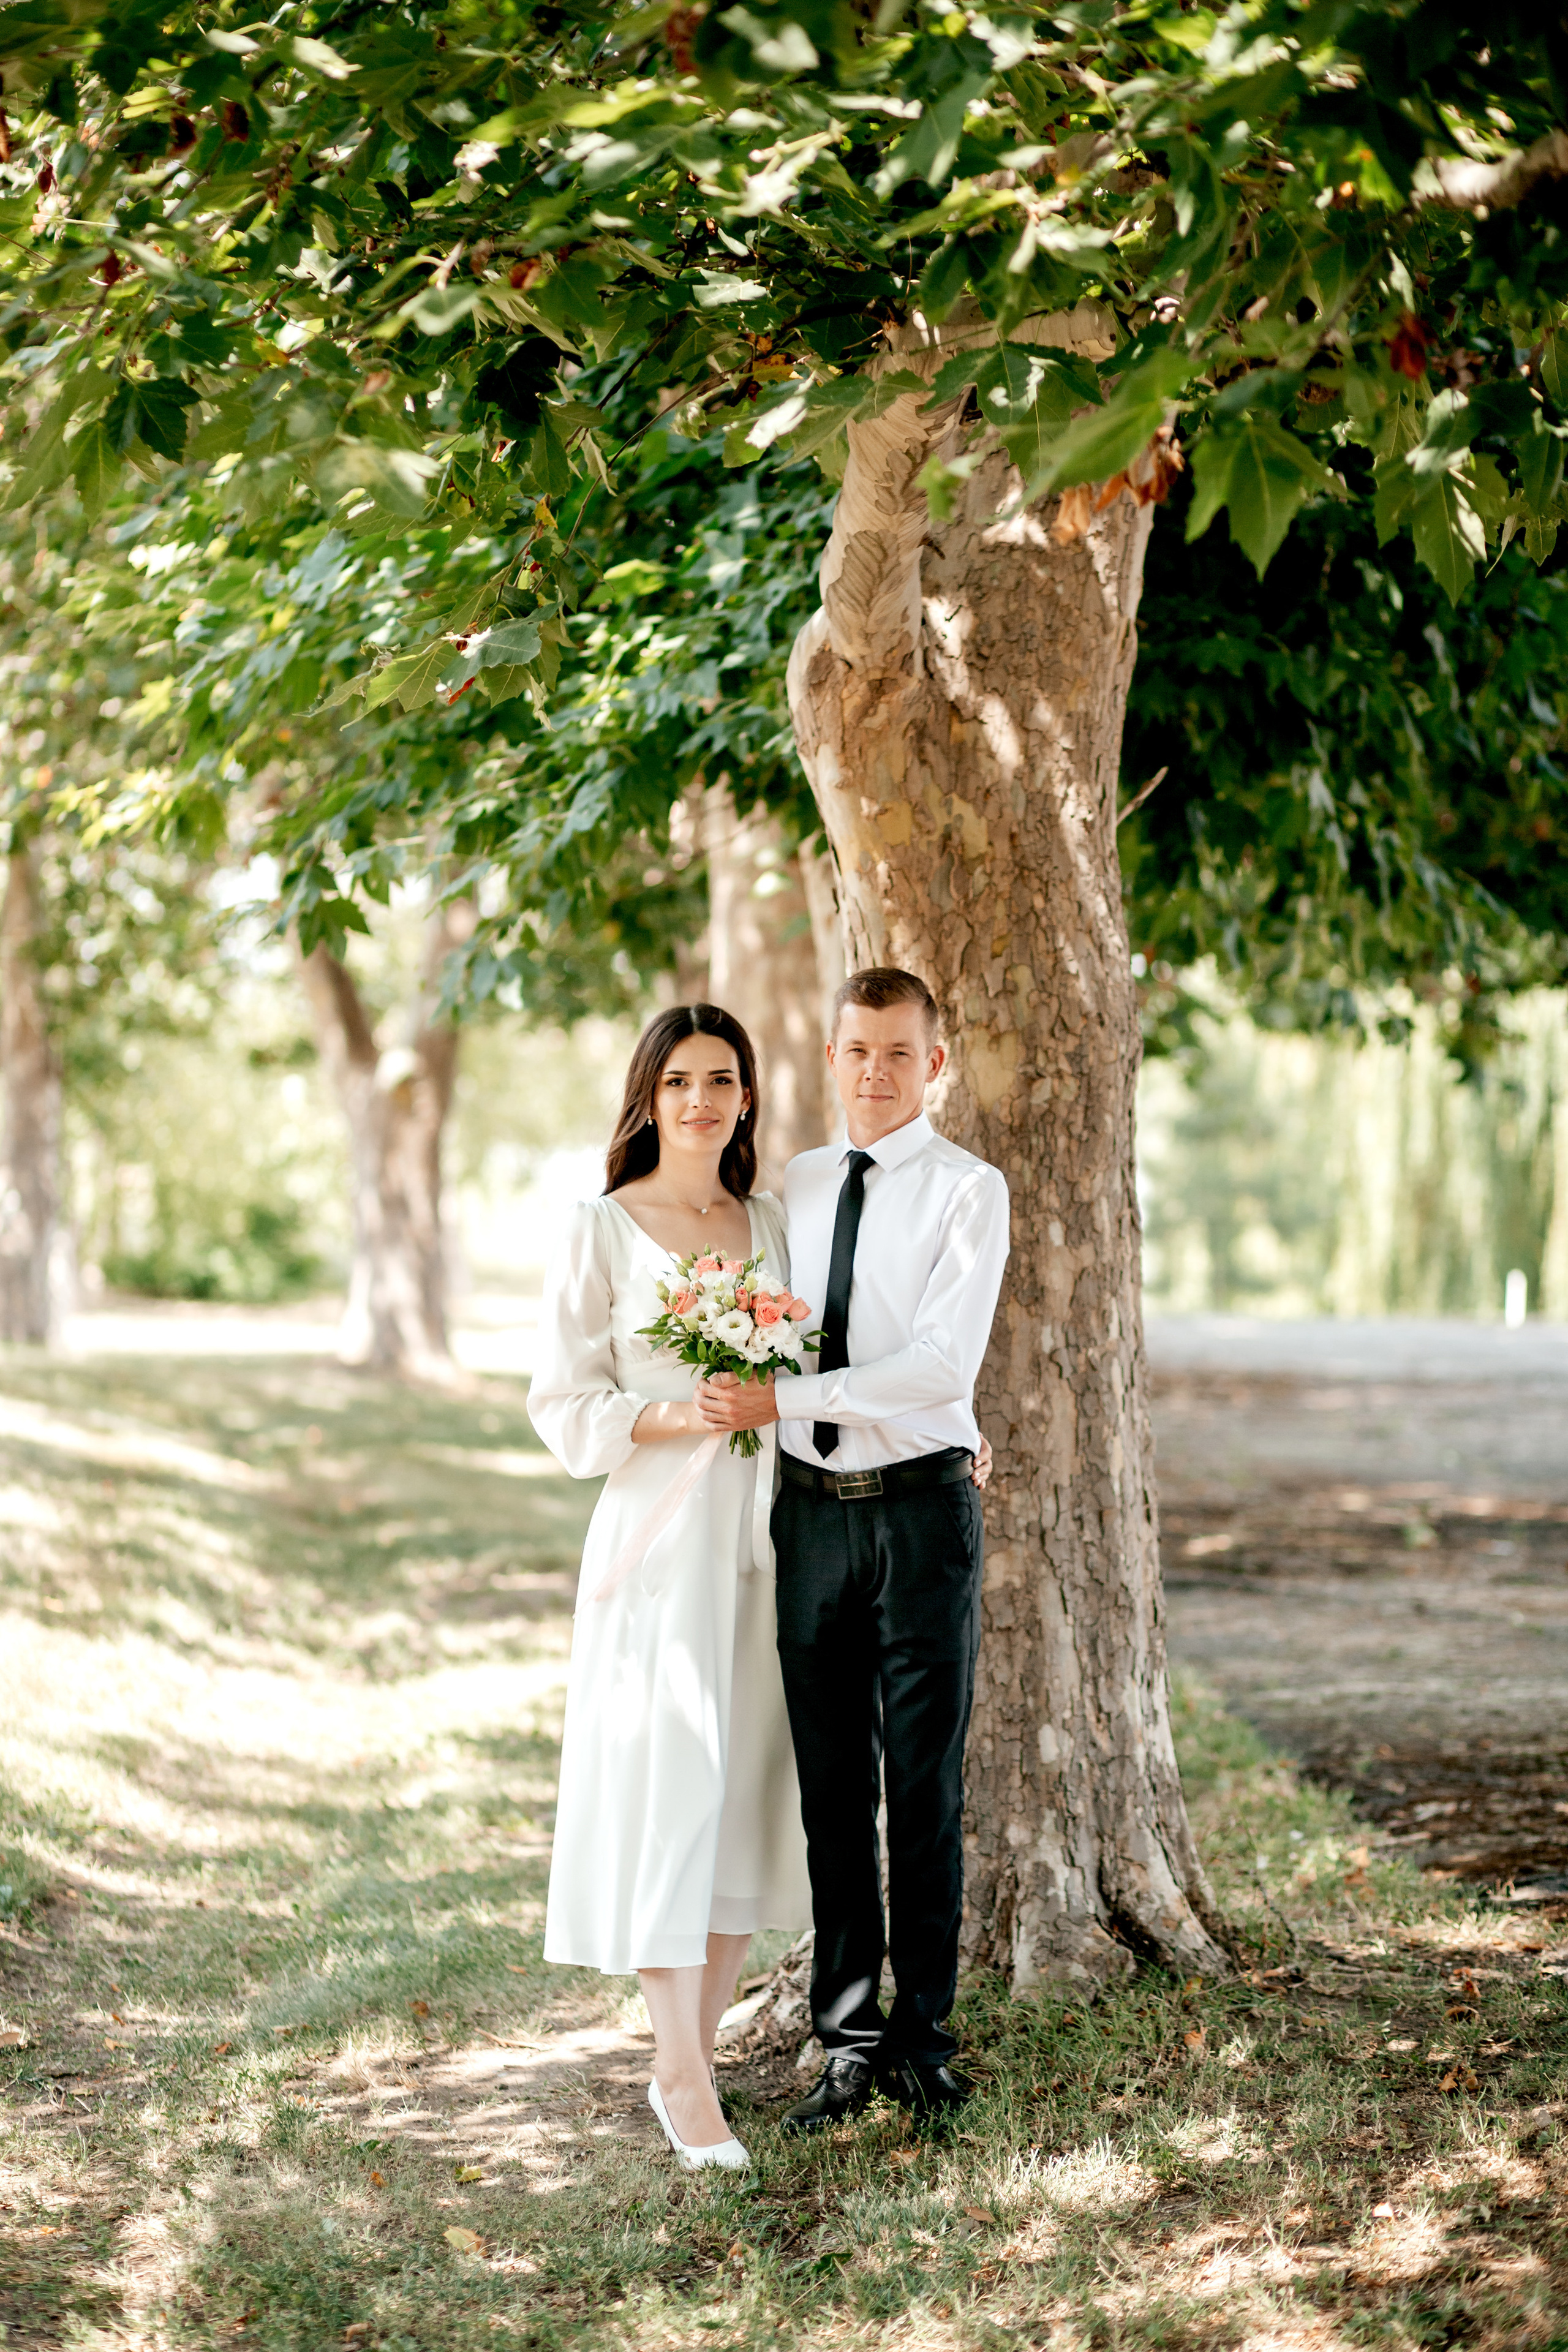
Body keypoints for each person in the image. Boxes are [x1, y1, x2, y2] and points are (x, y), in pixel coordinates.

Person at [698, 967, 1010, 2130]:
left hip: (923, 1513)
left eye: (896, 1052)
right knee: (834, 1787)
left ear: (934, 1066)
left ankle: (924, 2037)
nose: (873, 1072)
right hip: (812, 1511)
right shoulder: (796, 1187)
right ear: (828, 1060)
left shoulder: (971, 1193)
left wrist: (792, 1399)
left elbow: (942, 1365)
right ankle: (848, 2038)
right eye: (854, 1051)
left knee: (921, 1784)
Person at [527, 1004, 812, 2173]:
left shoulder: (775, 1224)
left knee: (750, 1785)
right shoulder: (601, 1228)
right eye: (681, 1079)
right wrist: (670, 1411)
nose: (702, 1100)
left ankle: (680, 2058)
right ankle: (687, 2079)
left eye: (723, 1080)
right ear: (648, 1094)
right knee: (672, 1786)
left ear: (748, 1097)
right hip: (659, 1536)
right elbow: (562, 1400)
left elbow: (820, 1365)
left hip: (771, 1532)